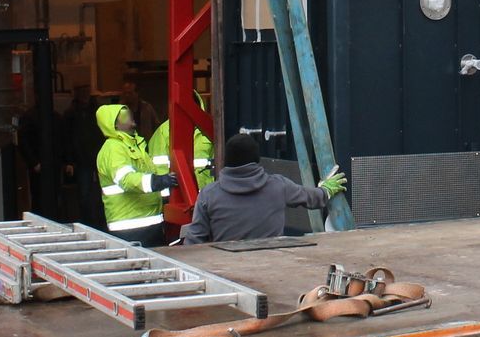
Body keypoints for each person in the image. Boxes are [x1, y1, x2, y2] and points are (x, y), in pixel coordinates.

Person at [180, 133, 348, 245]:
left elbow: (194, 241)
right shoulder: (278, 186)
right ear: (256, 159)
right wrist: (327, 190)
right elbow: (312, 198)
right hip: (272, 265)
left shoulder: (209, 194)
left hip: (227, 269)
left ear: (227, 160)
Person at [96, 102, 179, 245]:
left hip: (149, 223)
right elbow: (126, 179)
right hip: (131, 228)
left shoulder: (135, 146)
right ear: (115, 124)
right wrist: (157, 182)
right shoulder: (113, 148)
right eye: (125, 116)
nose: (131, 117)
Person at [144, 92, 216, 197]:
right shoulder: (163, 132)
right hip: (175, 197)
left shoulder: (208, 128)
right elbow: (157, 166)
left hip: (207, 197)